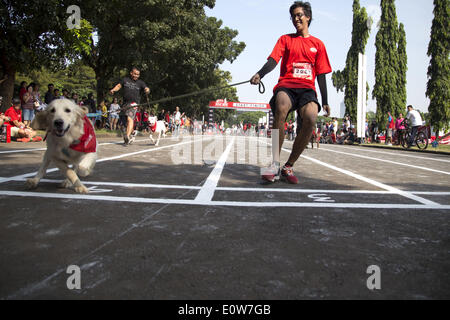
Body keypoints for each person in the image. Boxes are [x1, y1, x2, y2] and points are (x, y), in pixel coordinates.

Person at [250, 1, 331, 184]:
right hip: (287, 85)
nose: (296, 19)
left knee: (311, 117)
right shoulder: (285, 39)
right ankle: (274, 164)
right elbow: (273, 60)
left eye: (299, 15)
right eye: (293, 16)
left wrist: (325, 100)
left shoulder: (318, 44)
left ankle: (288, 166)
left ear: (308, 17)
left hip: (307, 89)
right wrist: (259, 74)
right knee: (281, 105)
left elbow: (322, 74)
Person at [110, 67, 150, 145]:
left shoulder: (140, 82)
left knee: (130, 118)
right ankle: (127, 133)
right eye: (135, 74)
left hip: (134, 104)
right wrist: (113, 90)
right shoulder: (125, 80)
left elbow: (146, 88)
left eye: (138, 74)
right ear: (131, 73)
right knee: (121, 123)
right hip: (125, 104)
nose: (136, 76)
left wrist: (147, 90)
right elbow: (118, 86)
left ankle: (127, 137)